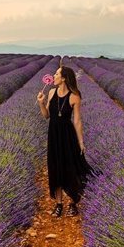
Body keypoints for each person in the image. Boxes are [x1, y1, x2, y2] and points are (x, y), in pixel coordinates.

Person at [36, 65, 92, 217]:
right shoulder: (52, 92)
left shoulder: (74, 96)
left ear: (64, 78)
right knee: (55, 168)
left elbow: (78, 121)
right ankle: (59, 204)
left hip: (68, 137)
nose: (53, 76)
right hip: (53, 136)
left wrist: (81, 142)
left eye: (56, 74)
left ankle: (73, 202)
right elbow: (46, 116)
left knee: (70, 169)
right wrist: (41, 102)